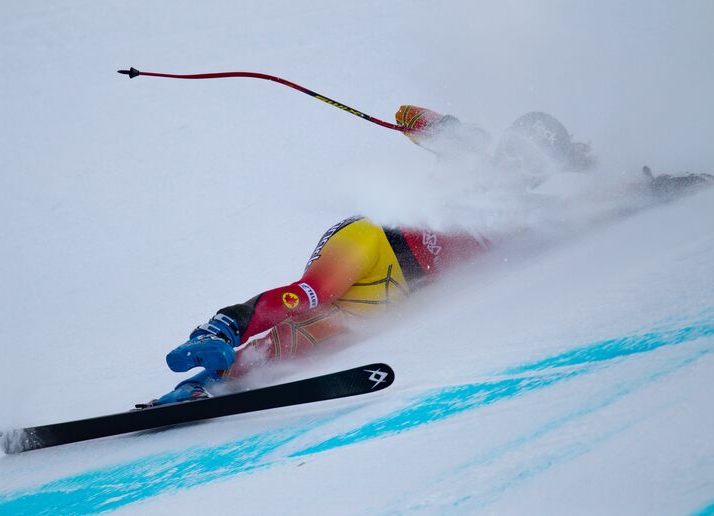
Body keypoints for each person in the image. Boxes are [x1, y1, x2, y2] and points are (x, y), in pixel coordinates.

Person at [147, 106, 712, 406]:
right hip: (373, 242)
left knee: (302, 341)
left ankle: (206, 383)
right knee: (310, 296)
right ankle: (218, 331)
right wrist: (440, 127)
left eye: (536, 161)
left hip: (396, 292)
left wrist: (659, 187)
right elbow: (408, 112)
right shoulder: (469, 156)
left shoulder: (530, 213)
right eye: (518, 150)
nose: (520, 165)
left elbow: (601, 204)